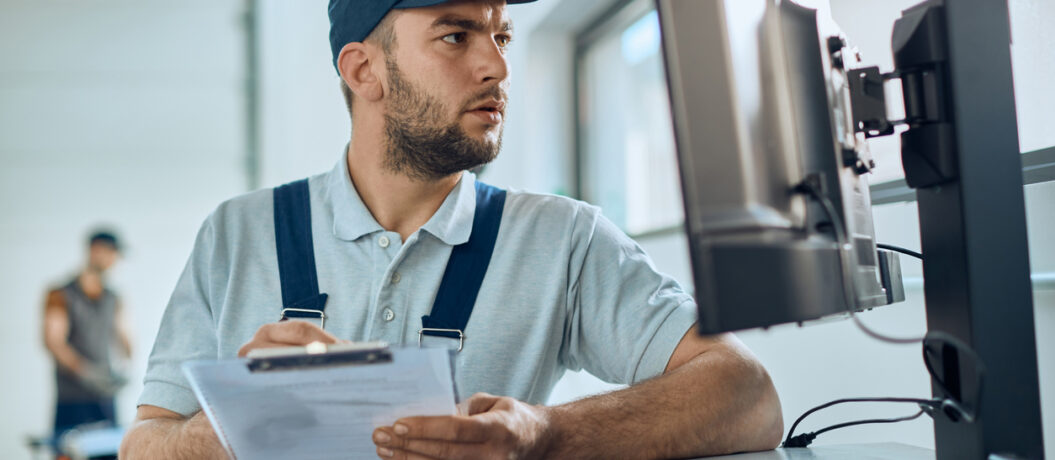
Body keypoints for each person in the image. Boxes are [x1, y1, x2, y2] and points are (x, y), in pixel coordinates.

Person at [120, 0, 784, 458]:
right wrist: (228, 428)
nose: (495, 65)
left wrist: (546, 435)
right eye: (455, 35)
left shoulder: (563, 238)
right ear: (363, 70)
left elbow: (747, 393)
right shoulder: (237, 234)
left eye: (501, 35)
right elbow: (144, 446)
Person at [43, 230, 132, 440]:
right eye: (112, 253)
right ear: (95, 250)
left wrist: (127, 367)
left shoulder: (113, 297)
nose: (114, 260)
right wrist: (86, 371)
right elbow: (53, 341)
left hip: (105, 398)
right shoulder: (60, 294)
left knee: (109, 451)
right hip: (72, 398)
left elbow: (124, 337)